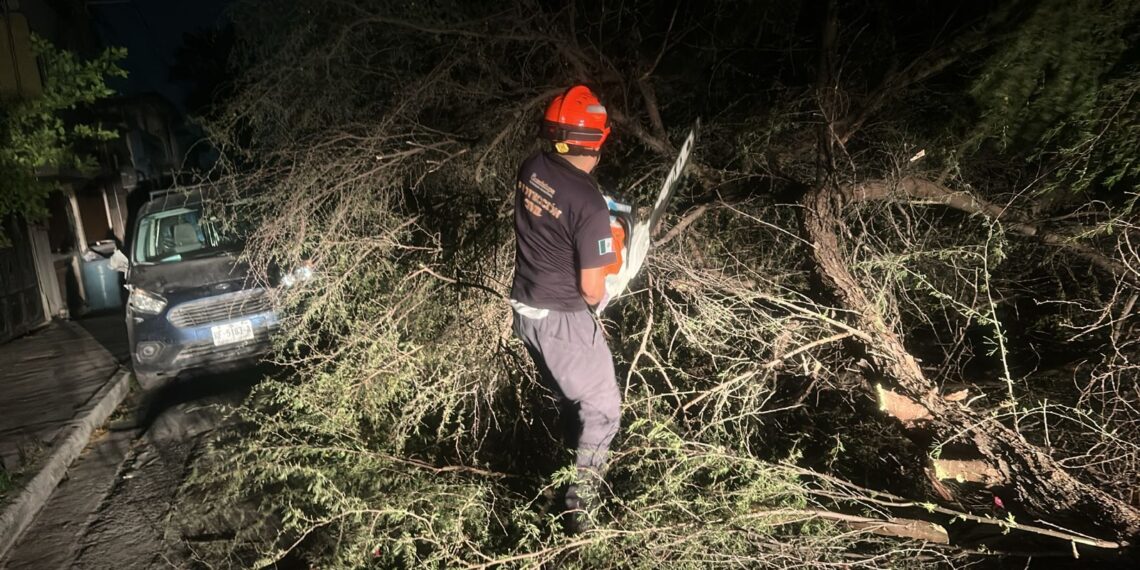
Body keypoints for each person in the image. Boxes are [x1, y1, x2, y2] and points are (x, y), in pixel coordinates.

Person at [510, 85, 622, 533]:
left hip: (526, 309)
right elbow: (592, 291)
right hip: (562, 321)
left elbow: (558, 214)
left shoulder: (532, 166)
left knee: (569, 400)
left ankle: (562, 470)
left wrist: (597, 227)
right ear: (598, 141)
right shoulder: (589, 202)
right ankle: (581, 514)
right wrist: (612, 278)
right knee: (604, 410)